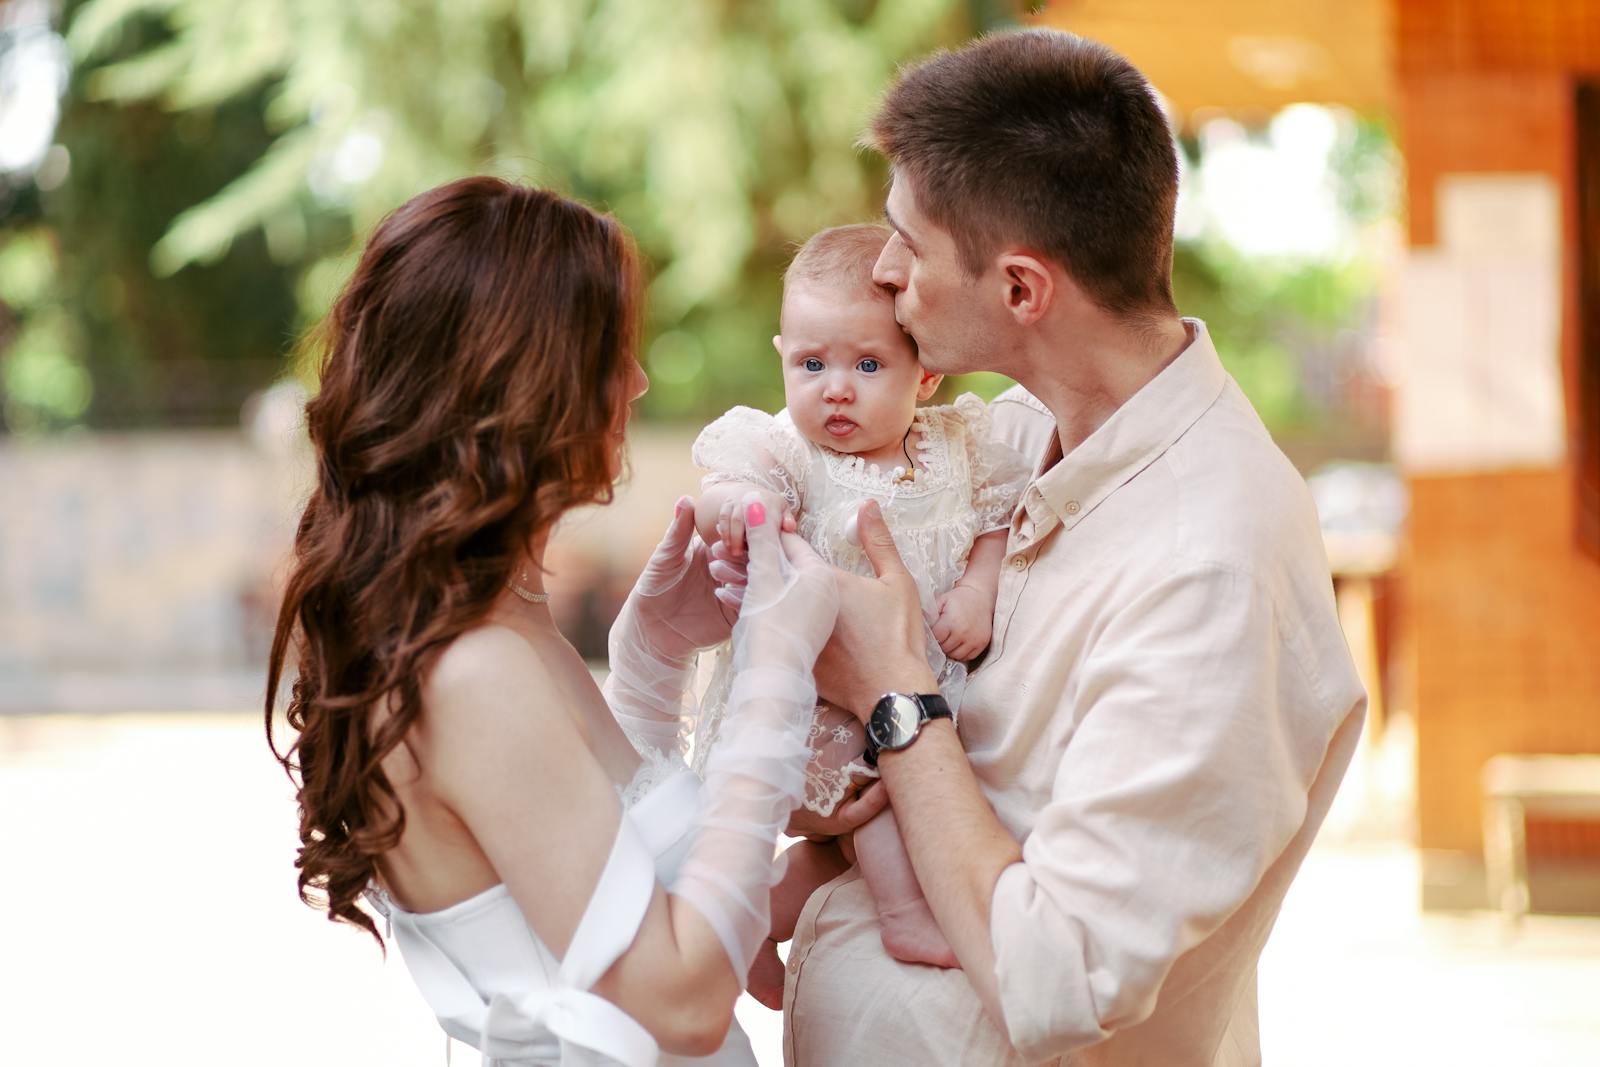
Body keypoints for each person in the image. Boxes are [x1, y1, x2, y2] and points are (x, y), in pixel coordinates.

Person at [773, 30, 1369, 1065]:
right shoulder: (999, 441)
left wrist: (893, 696)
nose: (883, 269)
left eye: (908, 242)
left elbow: (1060, 975)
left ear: (1020, 289)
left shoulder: (1208, 559)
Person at [263, 176, 838, 1066]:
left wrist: (650, 658)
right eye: (610, 353)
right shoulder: (475, 669)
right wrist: (775, 676)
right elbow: (676, 1003)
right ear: (523, 383)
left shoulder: (496, 625)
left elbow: (603, 868)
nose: (638, 382)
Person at [686, 223, 1030, 1003]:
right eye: (811, 364)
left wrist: (979, 589)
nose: (835, 388)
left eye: (868, 365)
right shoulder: (788, 452)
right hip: (819, 693)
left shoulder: (961, 447)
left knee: (847, 844)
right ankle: (907, 915)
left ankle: (750, 917)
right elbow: (722, 488)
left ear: (926, 374)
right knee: (880, 794)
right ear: (783, 355)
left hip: (919, 683)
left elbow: (996, 522)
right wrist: (740, 506)